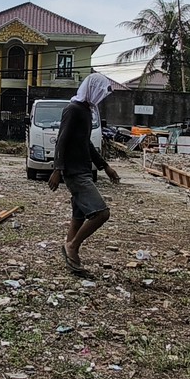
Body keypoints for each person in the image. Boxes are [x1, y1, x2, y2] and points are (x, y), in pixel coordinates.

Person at [47, 72, 120, 275]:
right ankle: (72, 246)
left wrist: (104, 166)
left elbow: (86, 143)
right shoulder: (73, 109)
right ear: (92, 89)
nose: (101, 96)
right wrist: (57, 169)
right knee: (101, 213)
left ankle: (72, 258)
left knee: (78, 217)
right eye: (100, 91)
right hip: (74, 172)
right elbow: (62, 139)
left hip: (84, 169)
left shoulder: (87, 111)